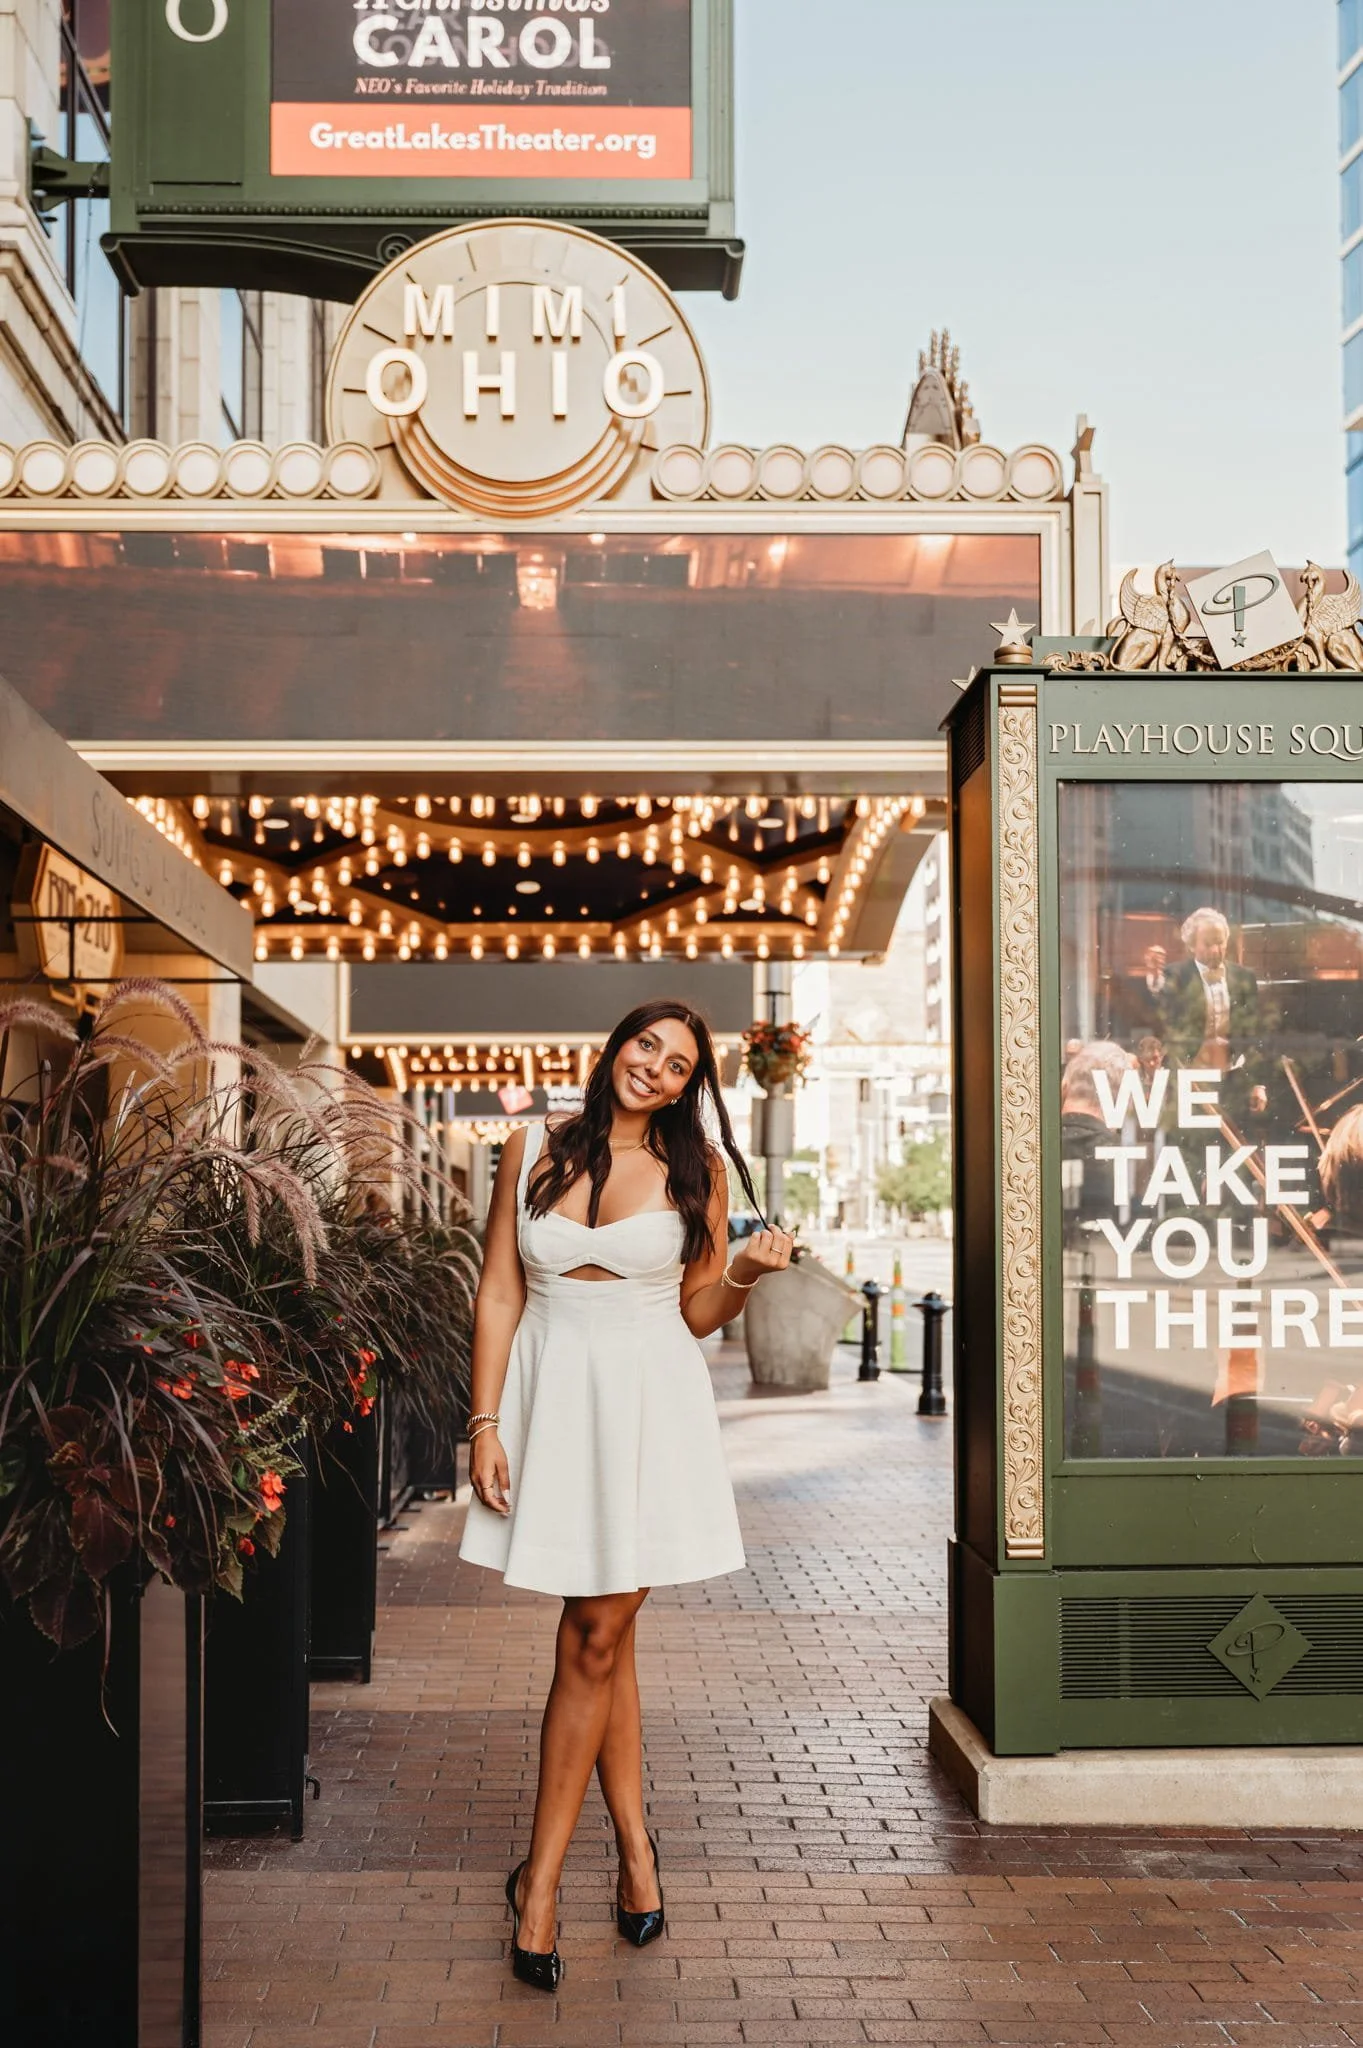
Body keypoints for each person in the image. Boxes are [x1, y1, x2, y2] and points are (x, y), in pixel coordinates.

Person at [456, 1000, 794, 1990]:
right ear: (615, 1048)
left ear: (692, 1085)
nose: (656, 1065)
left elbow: (697, 1312)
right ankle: (637, 1855)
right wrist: (482, 1422)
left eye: (679, 1061)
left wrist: (743, 1273)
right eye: (646, 1044)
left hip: (652, 1409)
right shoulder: (528, 1147)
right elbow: (500, 1292)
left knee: (593, 1635)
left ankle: (542, 1884)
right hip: (552, 1401)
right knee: (608, 1638)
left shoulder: (700, 1171)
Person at [1157, 907, 1267, 1119]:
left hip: (1233, 1077)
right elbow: (1160, 1010)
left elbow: (1254, 1034)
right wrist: (1153, 979)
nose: (1216, 950)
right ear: (1191, 945)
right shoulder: (1176, 975)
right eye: (1208, 944)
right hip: (1189, 1079)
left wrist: (1257, 1083)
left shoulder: (1244, 977)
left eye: (1220, 942)